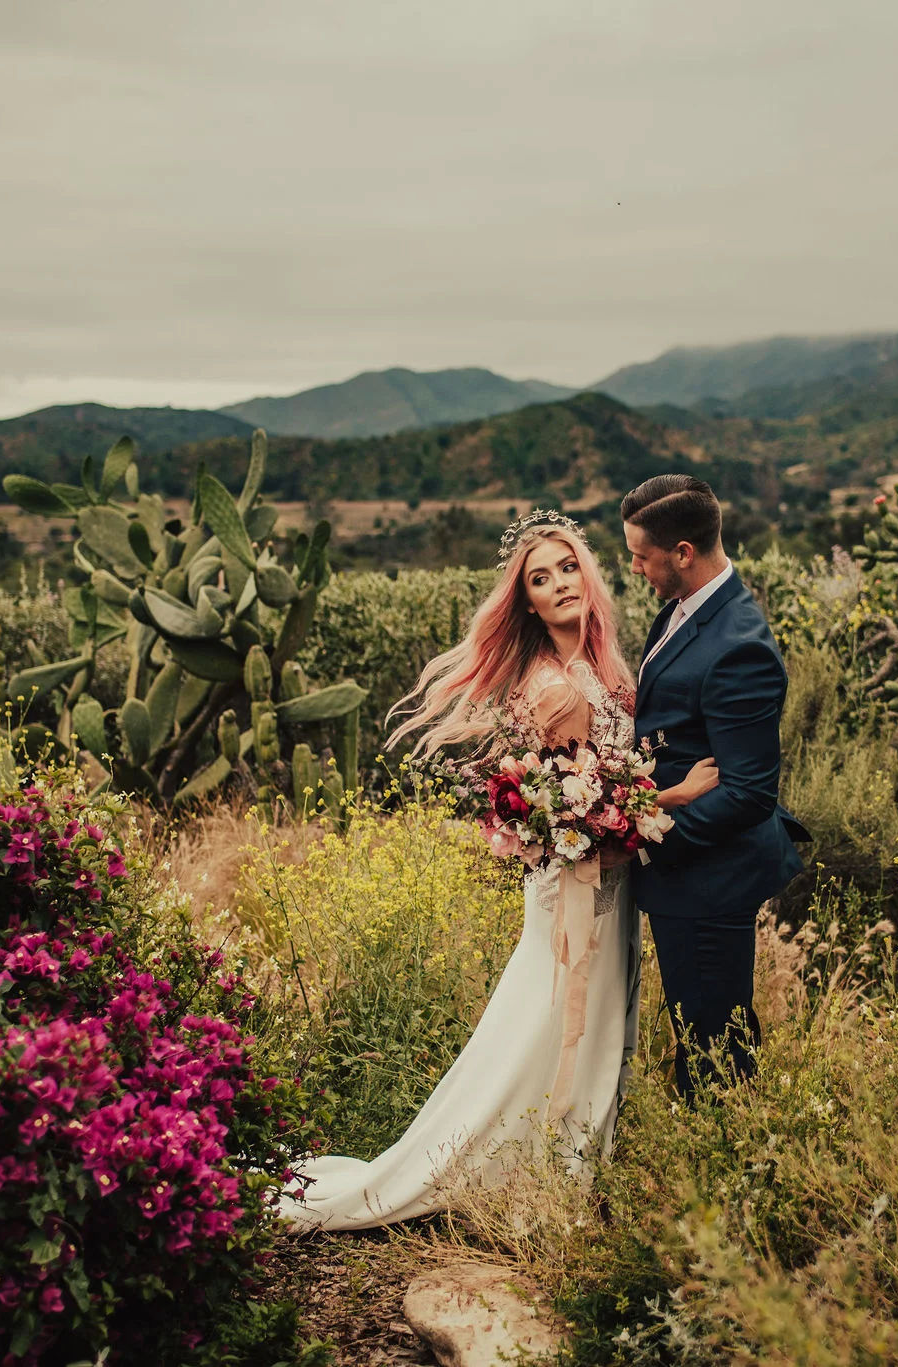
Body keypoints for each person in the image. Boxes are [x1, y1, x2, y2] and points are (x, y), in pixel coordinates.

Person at [279, 509, 720, 1231]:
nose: (557, 585)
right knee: (550, 1019)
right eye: (539, 580)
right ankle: (540, 1174)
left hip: (601, 879)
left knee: (581, 1016)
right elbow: (593, 806)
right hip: (574, 885)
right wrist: (676, 793)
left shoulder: (603, 667)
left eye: (566, 568)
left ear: (587, 571)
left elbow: (599, 790)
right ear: (528, 602)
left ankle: (564, 1168)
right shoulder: (555, 687)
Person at [622, 474, 806, 1104]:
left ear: (682, 553)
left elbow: (750, 792)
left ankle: (723, 1158)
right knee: (700, 1021)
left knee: (712, 1043)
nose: (636, 568)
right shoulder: (685, 608)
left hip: (707, 876)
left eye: (642, 557)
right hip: (687, 874)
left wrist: (652, 837)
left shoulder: (738, 646)